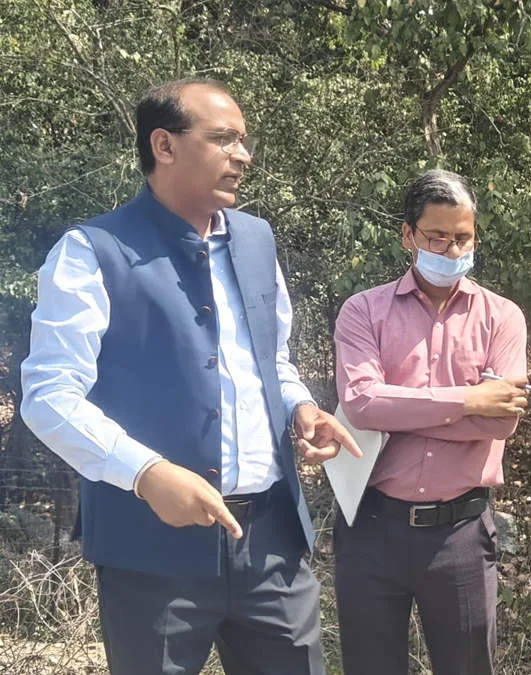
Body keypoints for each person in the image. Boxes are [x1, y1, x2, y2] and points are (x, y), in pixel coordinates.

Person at [20, 78, 360, 675]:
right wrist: (147, 472)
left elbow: (270, 360)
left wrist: (300, 407)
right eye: (224, 138)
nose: (243, 156)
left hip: (272, 545)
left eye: (244, 141)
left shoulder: (256, 241)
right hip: (150, 552)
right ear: (165, 145)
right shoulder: (92, 251)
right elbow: (49, 396)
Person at [333, 169, 529, 674]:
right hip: (371, 527)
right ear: (408, 235)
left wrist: (399, 409)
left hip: (461, 533)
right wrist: (470, 401)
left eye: (462, 237)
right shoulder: (363, 311)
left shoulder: (502, 317)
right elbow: (361, 404)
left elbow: (502, 423)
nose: (451, 249)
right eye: (436, 237)